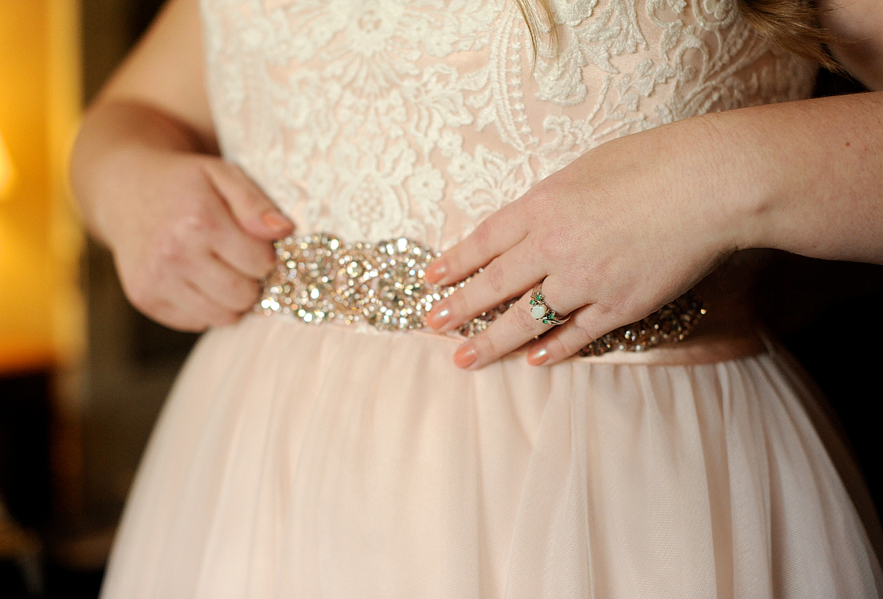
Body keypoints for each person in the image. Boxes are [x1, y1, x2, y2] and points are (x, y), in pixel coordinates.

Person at [71, 0, 883, 596]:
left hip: (617, 494)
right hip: (259, 480)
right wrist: (123, 179)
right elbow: (135, 110)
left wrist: (719, 179)